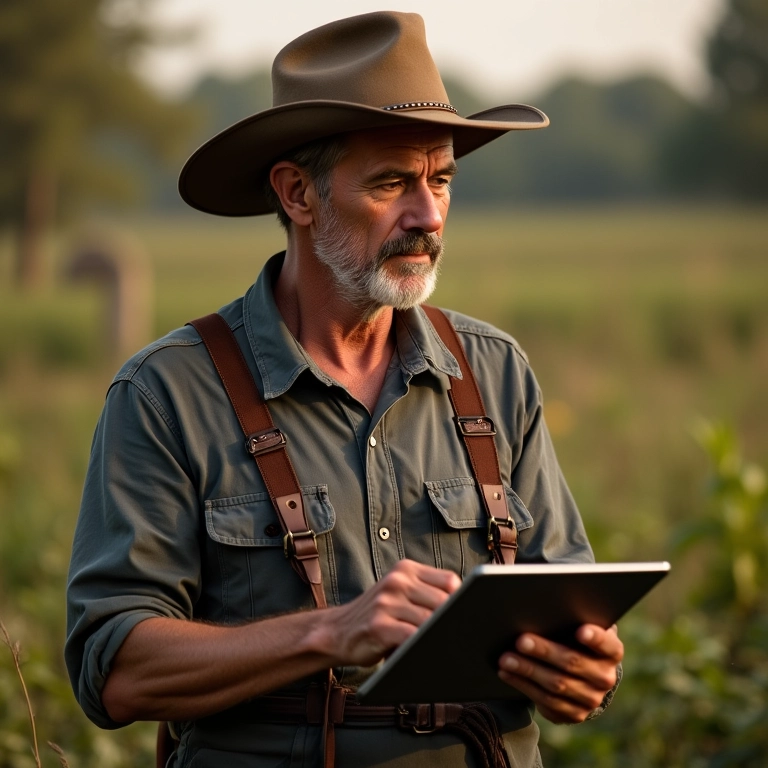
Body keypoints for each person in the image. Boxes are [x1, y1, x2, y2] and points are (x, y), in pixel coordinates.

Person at [66, 11, 623, 768]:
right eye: (392, 182)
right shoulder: (168, 393)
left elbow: (570, 614)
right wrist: (328, 631)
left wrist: (583, 671)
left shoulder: (494, 371)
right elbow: (117, 669)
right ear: (297, 193)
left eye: (442, 179)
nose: (427, 215)